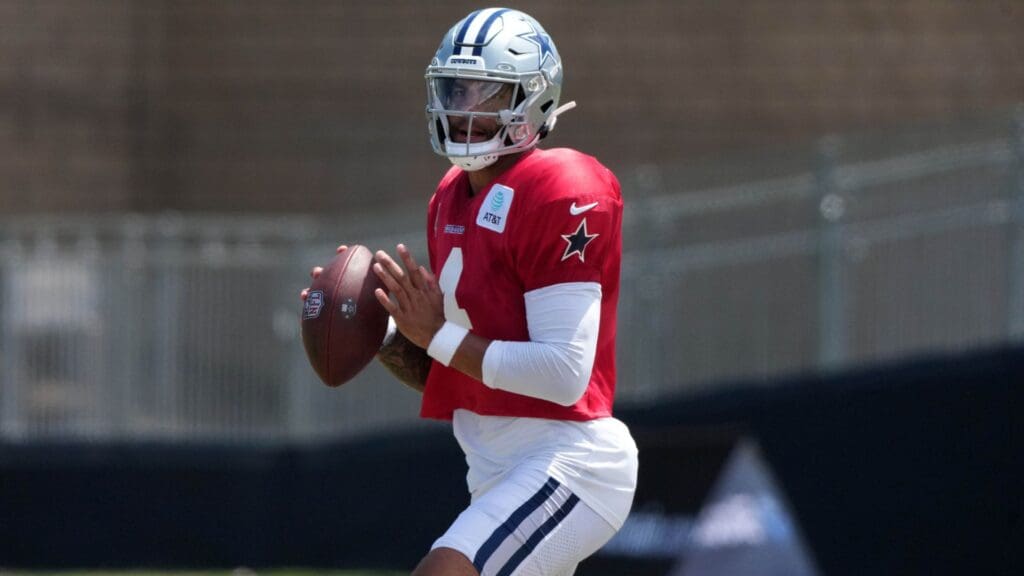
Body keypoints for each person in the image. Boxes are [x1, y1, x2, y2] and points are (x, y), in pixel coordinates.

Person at [304, 8, 637, 575]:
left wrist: (438, 334)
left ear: (536, 101)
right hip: (490, 468)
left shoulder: (562, 186)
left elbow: (563, 374)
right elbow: (453, 370)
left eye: (488, 93)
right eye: (457, 88)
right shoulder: (451, 198)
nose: (465, 107)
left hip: (569, 460)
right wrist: (384, 327)